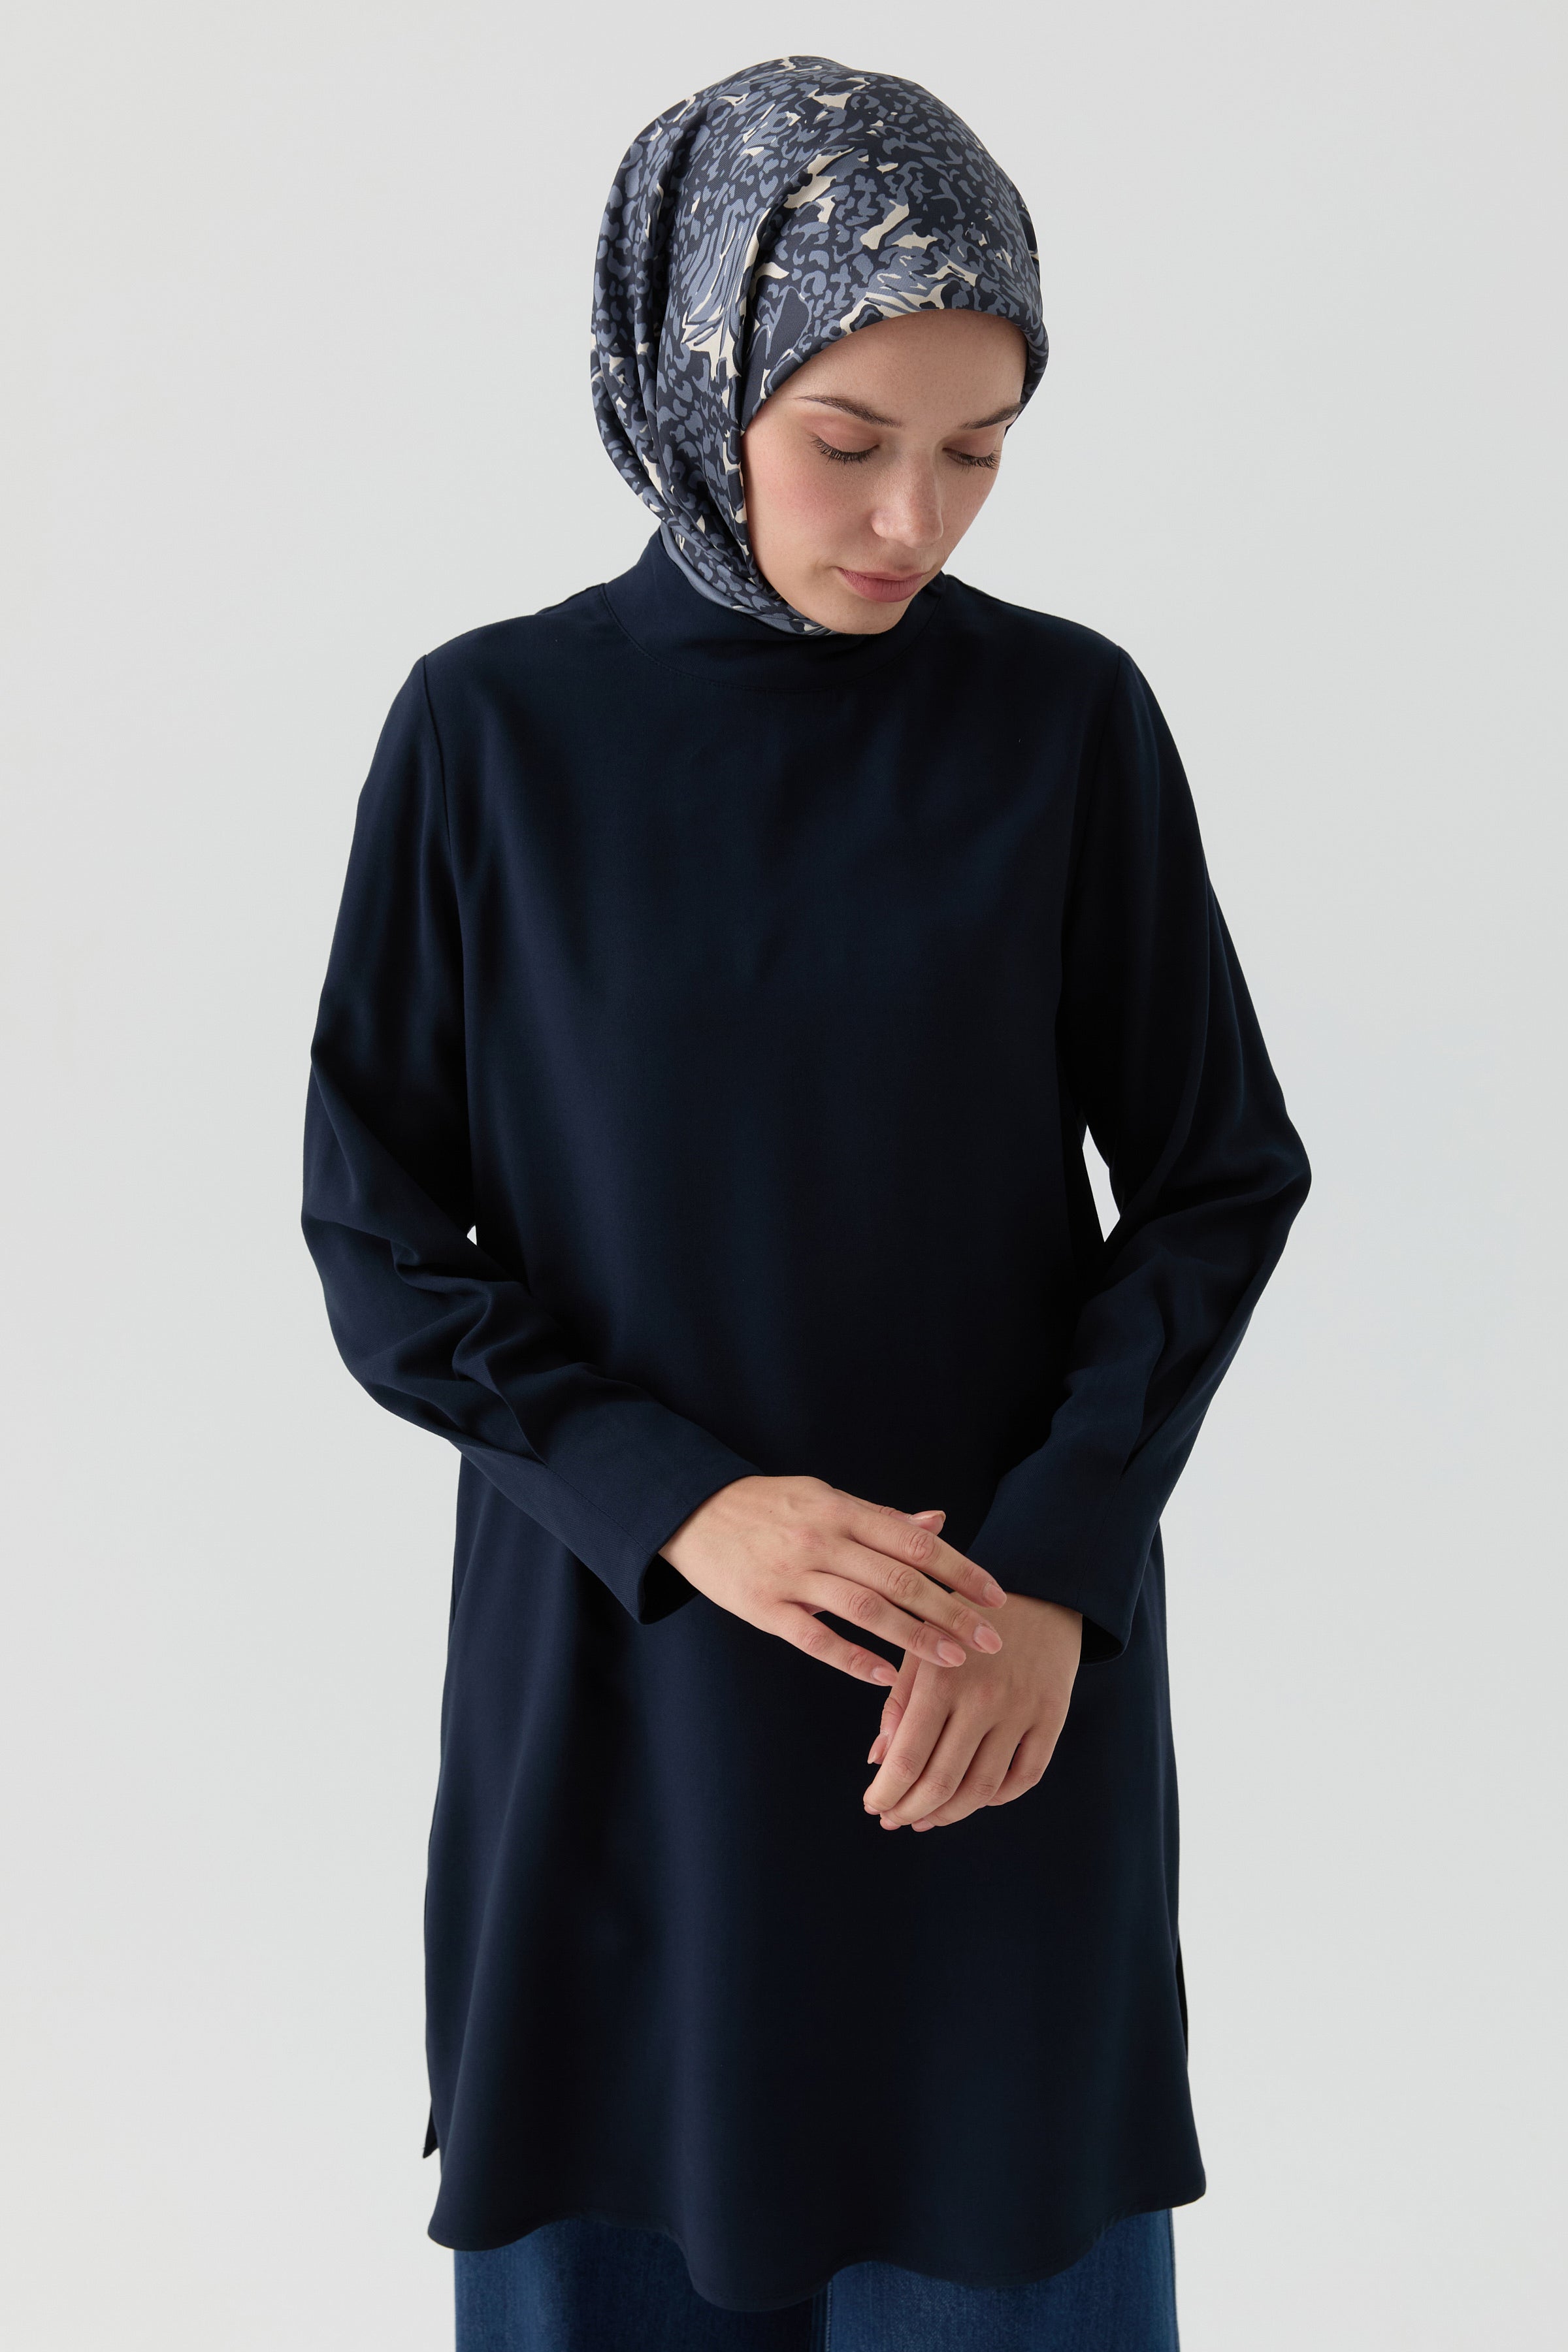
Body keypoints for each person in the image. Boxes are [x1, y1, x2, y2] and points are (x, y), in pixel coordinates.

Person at [302, 54, 1311, 2352]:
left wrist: (1052, 1579)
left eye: (979, 453)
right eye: (848, 440)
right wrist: (681, 1504)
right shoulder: (490, 737)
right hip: (622, 1703)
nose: (909, 519)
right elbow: (379, 1233)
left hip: (981, 1711)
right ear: (699, 377)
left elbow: (1217, 1176)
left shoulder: (1065, 725)